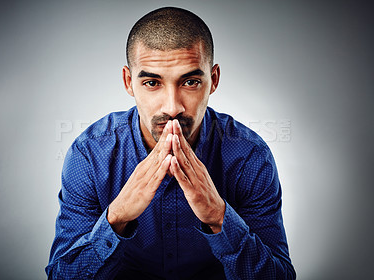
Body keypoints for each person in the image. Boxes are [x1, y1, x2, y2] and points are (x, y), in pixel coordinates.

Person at [46, 7, 296, 280]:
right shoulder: (90, 155)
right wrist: (115, 218)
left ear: (213, 80)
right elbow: (61, 275)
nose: (172, 107)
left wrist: (218, 216)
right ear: (129, 82)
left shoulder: (249, 156)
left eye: (190, 82)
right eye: (152, 82)